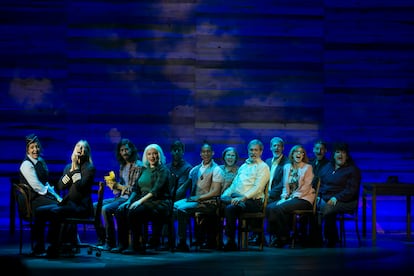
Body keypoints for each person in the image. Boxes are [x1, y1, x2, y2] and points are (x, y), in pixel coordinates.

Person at [32, 139, 96, 258]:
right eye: (78, 146)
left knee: (55, 212)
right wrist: (71, 170)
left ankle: (54, 247)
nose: (80, 149)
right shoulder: (68, 167)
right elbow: (60, 186)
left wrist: (76, 168)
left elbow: (80, 186)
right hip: (69, 204)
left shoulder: (89, 168)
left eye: (83, 148)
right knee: (40, 211)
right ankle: (39, 247)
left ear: (87, 152)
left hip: (81, 207)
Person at [113, 144, 171, 254]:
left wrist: (139, 202)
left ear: (159, 155)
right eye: (149, 154)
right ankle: (122, 244)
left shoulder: (163, 170)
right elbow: (136, 189)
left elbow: (155, 191)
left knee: (134, 212)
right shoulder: (144, 169)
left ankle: (136, 245)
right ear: (146, 156)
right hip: (145, 201)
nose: (152, 156)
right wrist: (129, 201)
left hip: (159, 202)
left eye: (155, 153)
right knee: (121, 210)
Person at [220, 139, 270, 251]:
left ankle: (230, 242)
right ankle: (213, 239)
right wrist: (224, 195)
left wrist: (242, 198)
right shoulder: (243, 166)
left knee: (230, 208)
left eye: (256, 150)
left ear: (261, 152)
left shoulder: (263, 167)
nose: (253, 152)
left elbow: (258, 188)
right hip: (237, 197)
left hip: (253, 201)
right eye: (251, 150)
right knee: (219, 203)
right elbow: (234, 185)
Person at [174, 141, 224, 252]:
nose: (206, 154)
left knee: (182, 209)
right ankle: (173, 240)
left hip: (209, 202)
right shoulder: (195, 169)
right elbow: (186, 186)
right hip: (195, 201)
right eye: (203, 152)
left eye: (208, 152)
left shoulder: (216, 170)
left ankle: (182, 243)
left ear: (212, 153)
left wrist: (199, 198)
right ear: (200, 154)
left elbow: (216, 192)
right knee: (174, 206)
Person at [96, 138, 143, 251]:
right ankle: (102, 239)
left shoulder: (138, 166)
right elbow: (120, 189)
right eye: (122, 150)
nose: (124, 152)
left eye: (126, 149)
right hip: (121, 197)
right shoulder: (123, 166)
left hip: (131, 198)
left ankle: (110, 242)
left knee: (106, 209)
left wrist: (119, 187)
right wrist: (113, 186)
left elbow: (135, 189)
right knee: (96, 206)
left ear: (131, 150)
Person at [266, 145, 315, 248]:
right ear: (292, 154)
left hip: (303, 198)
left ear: (303, 155)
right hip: (290, 199)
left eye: (301, 152)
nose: (298, 154)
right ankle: (276, 235)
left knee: (281, 207)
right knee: (270, 207)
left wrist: (289, 200)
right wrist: (284, 198)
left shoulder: (308, 168)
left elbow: (305, 188)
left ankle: (283, 237)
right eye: (296, 152)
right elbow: (285, 186)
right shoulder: (287, 167)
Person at [318, 142, 361, 247]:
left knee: (327, 209)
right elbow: (320, 182)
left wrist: (336, 197)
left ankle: (330, 239)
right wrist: (318, 195)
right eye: (337, 152)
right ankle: (315, 238)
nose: (340, 155)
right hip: (326, 198)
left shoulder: (352, 170)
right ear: (333, 154)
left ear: (347, 155)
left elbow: (351, 190)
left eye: (343, 152)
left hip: (345, 200)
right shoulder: (328, 167)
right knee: (312, 206)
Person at [249, 136, 288, 245]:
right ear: (270, 148)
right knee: (251, 203)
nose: (276, 148)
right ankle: (257, 235)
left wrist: (269, 194)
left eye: (279, 146)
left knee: (269, 207)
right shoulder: (267, 162)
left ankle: (278, 236)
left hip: (278, 195)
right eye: (274, 145)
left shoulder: (287, 163)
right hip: (265, 194)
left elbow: (284, 183)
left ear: (282, 148)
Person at [19, 134, 62, 215]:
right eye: (32, 147)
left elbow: (45, 183)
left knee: (61, 205)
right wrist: (53, 197)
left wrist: (57, 196)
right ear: (27, 150)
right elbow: (38, 187)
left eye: (37, 146)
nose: (35, 149)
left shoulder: (40, 161)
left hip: (39, 196)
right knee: (58, 208)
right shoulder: (27, 165)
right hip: (31, 201)